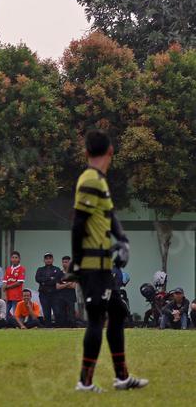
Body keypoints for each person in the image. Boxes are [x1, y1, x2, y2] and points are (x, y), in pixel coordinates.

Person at [71, 130, 146, 392]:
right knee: (96, 319)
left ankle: (122, 377)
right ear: (111, 151)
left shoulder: (99, 181)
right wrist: (78, 264)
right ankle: (85, 381)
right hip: (93, 266)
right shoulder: (90, 180)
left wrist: (122, 240)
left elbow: (110, 215)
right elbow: (78, 223)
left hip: (103, 266)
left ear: (86, 152)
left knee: (118, 312)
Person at [35, 252, 64, 327]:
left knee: (57, 311)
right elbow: (37, 279)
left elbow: (57, 280)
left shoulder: (57, 269)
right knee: (46, 312)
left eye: (50, 258)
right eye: (46, 259)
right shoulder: (40, 269)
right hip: (44, 294)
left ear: (52, 259)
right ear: (44, 260)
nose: (48, 260)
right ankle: (48, 327)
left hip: (55, 294)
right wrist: (49, 278)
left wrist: (44, 281)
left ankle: (58, 327)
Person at [55, 256, 79, 327]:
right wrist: (68, 283)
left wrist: (63, 285)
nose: (64, 264)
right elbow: (57, 287)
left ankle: (73, 327)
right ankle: (63, 328)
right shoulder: (59, 273)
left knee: (71, 314)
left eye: (66, 262)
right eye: (63, 262)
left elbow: (73, 286)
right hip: (61, 297)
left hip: (70, 297)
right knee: (62, 314)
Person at [4, 251, 26, 316]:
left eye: (16, 257)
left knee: (15, 313)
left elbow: (19, 282)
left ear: (19, 259)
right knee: (5, 313)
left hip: (17, 295)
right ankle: (7, 325)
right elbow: (5, 281)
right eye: (13, 257)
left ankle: (16, 325)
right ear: (11, 259)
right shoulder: (8, 269)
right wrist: (4, 288)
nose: (14, 259)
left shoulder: (21, 268)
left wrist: (7, 287)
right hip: (8, 295)